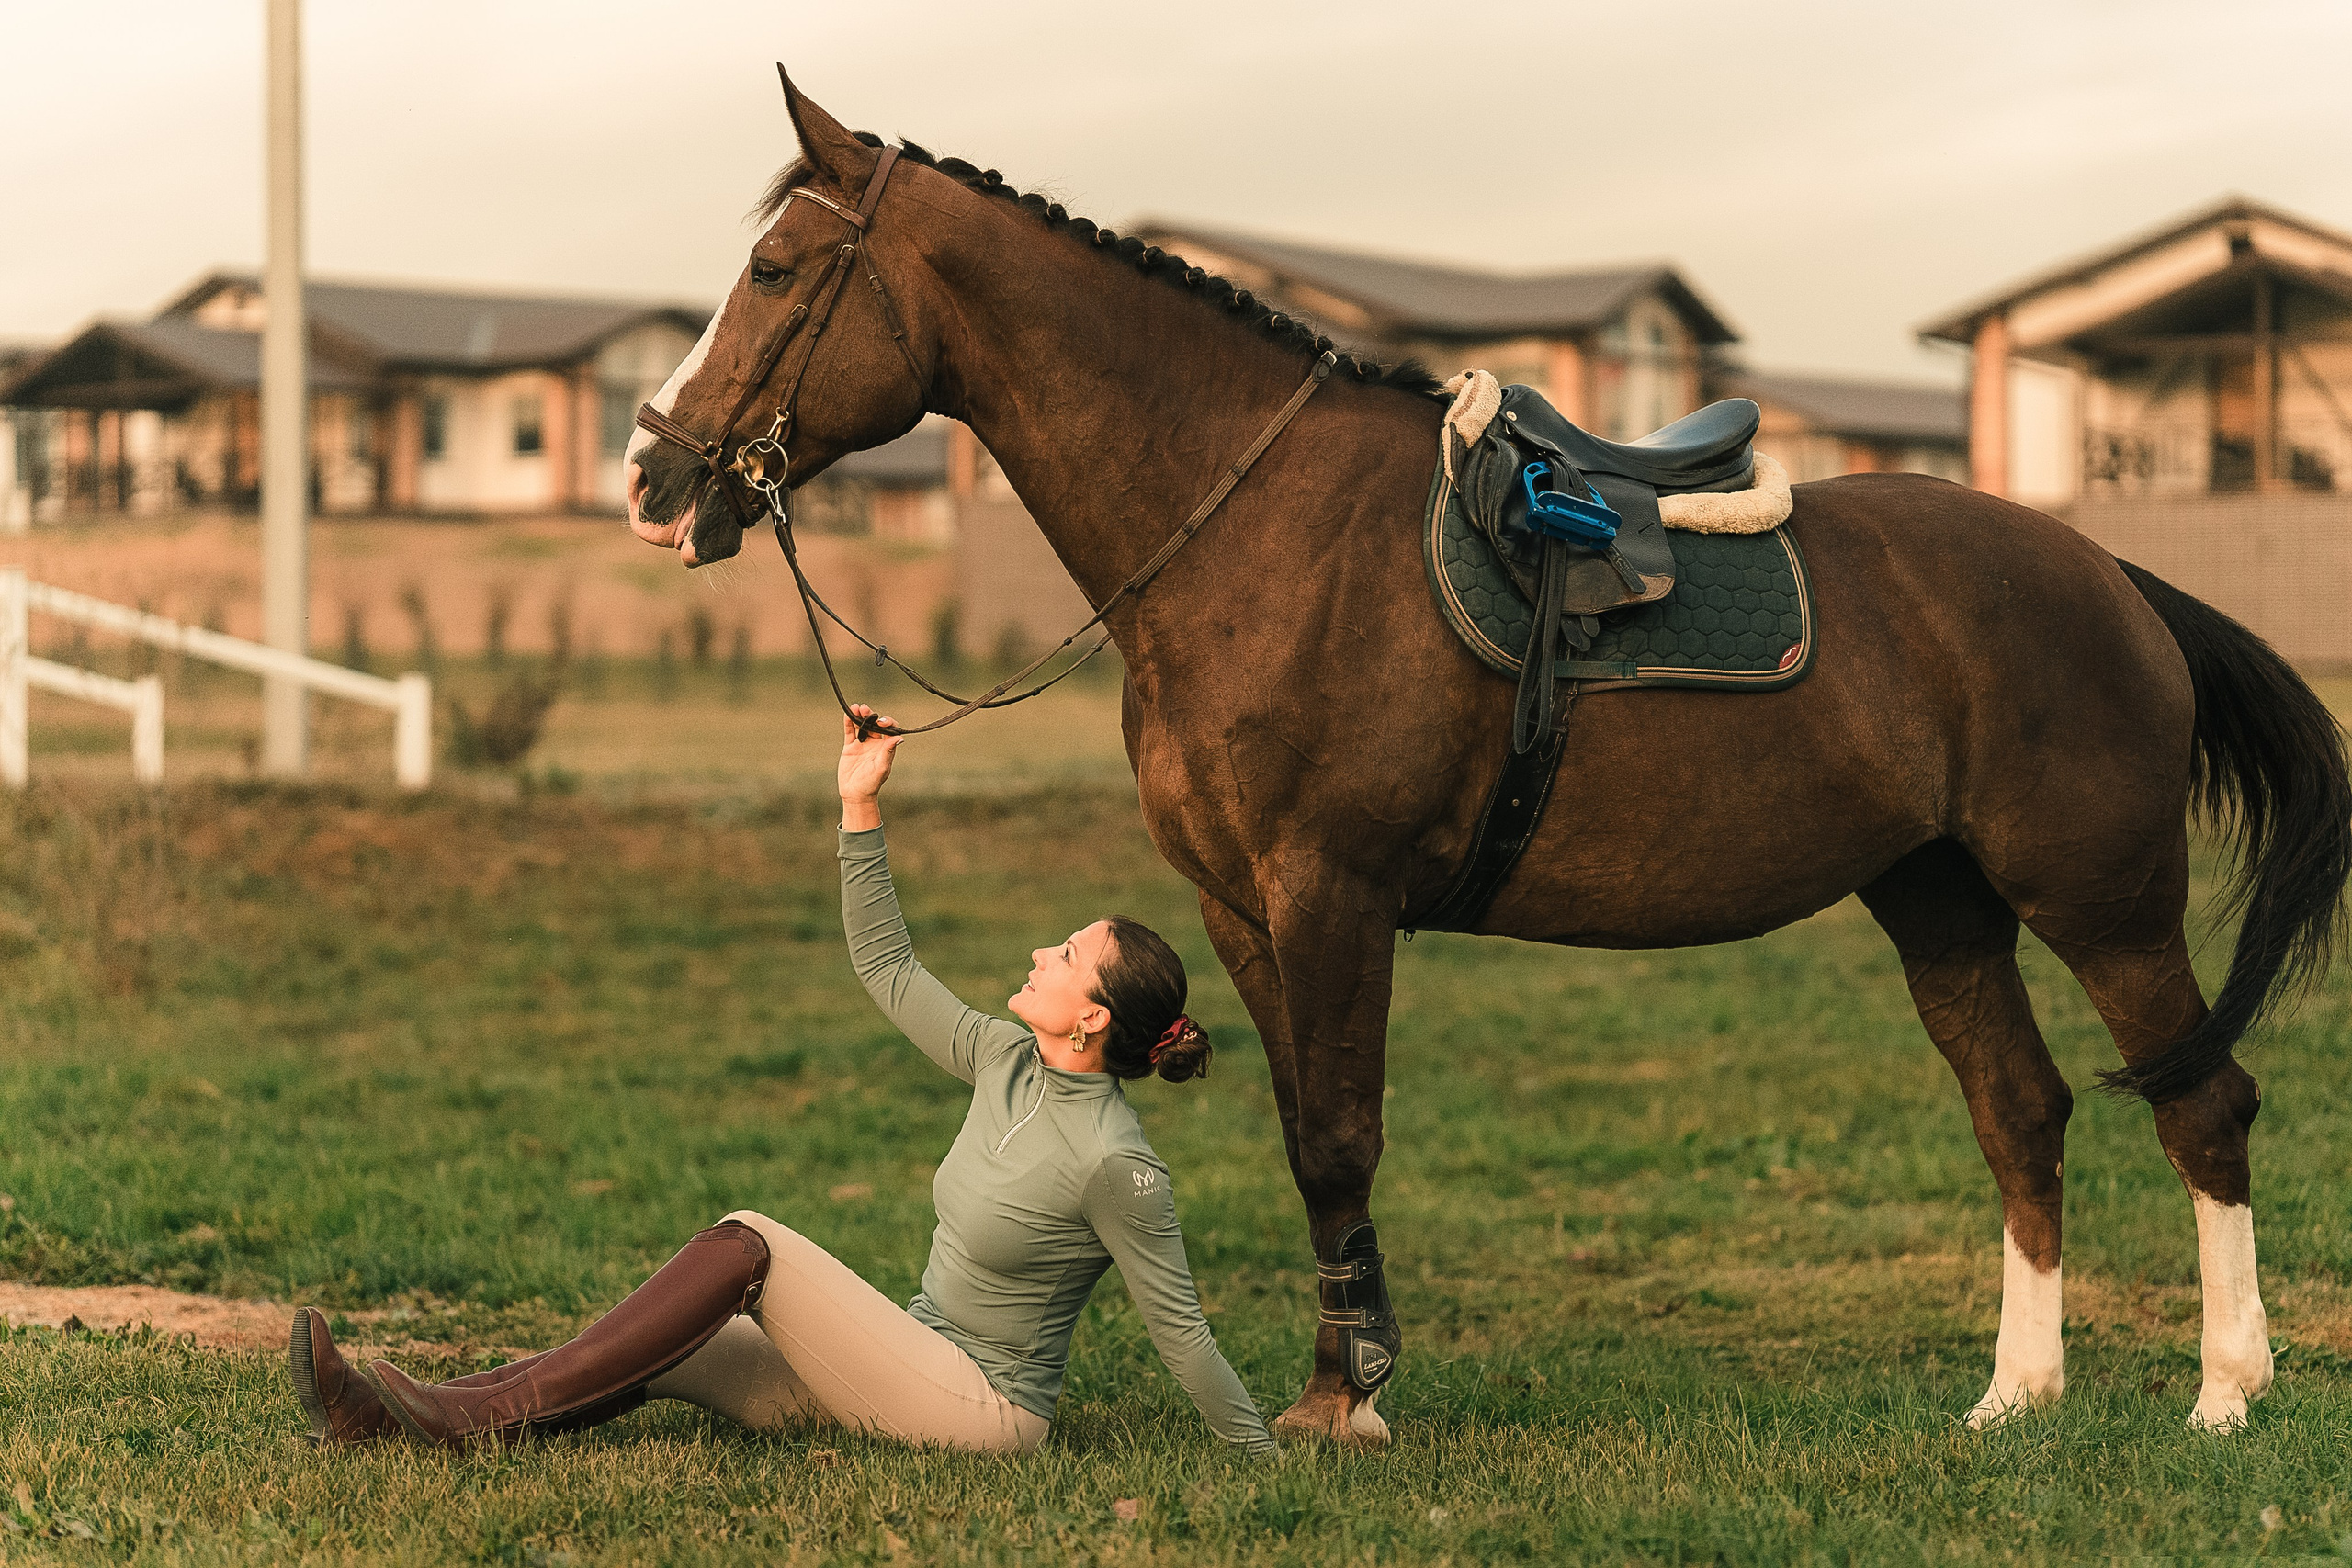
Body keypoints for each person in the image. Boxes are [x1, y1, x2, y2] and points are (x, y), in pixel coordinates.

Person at [289, 705, 1274, 1457]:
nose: (1037, 952)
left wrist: (1259, 1454)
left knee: (750, 1241)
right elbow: (889, 967)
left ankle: (460, 1422)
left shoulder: (1117, 1162)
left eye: (1064, 956)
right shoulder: (1004, 1060)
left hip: (985, 1408)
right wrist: (860, 805)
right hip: (902, 1356)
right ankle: (393, 1413)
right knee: (656, 1347)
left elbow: (1182, 1331)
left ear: (1094, 1017)